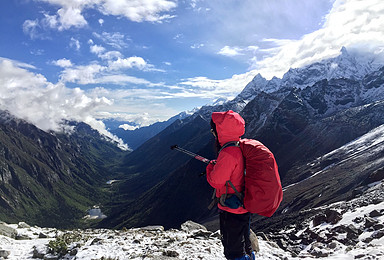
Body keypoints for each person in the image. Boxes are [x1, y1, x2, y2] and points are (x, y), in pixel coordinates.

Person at [206, 110, 256, 260]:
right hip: (244, 204)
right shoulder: (240, 146)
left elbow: (216, 181)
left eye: (213, 130)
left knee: (233, 250)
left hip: (231, 208)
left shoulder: (228, 153)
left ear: (220, 131)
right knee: (245, 243)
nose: (213, 134)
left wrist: (210, 168)